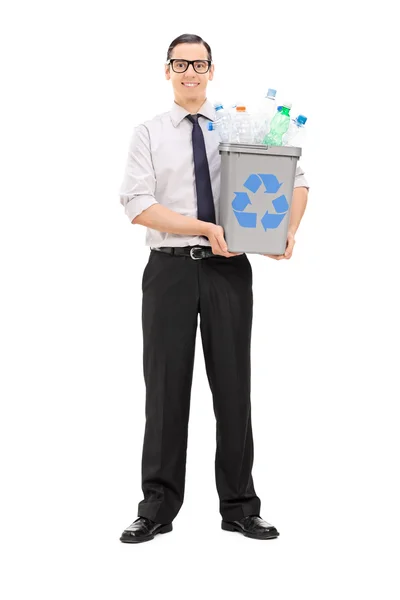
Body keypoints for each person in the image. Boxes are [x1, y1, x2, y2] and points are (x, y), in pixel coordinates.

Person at [118, 33, 309, 544]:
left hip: (229, 272)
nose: (190, 73)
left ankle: (240, 507)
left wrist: (287, 229)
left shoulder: (237, 127)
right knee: (164, 389)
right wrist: (201, 228)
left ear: (211, 70)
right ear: (167, 71)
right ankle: (156, 508)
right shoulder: (149, 133)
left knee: (233, 387)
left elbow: (295, 175)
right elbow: (137, 204)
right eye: (180, 64)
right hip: (169, 271)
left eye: (199, 64)